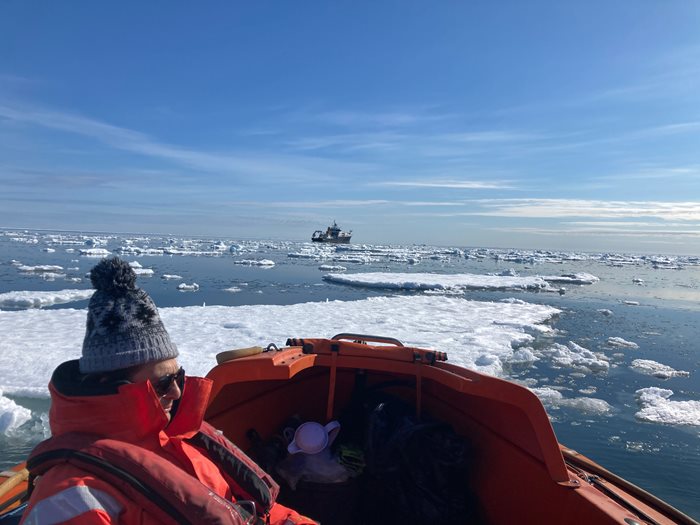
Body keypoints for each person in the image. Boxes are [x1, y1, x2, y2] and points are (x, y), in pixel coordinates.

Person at [20, 257, 315, 525]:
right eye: (162, 383)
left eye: (178, 376)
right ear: (109, 385)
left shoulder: (181, 438)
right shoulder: (72, 498)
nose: (176, 392)